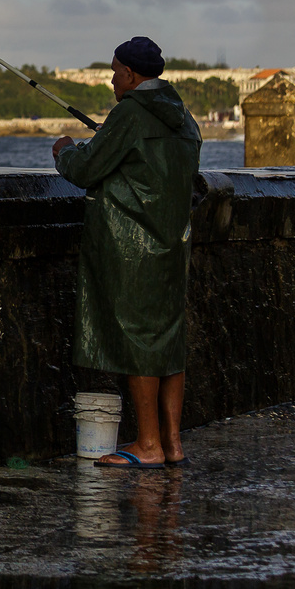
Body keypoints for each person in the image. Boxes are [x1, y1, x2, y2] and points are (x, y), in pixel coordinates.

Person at [52, 37, 202, 468]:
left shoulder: (130, 114)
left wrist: (64, 151)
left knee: (139, 342)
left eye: (115, 72)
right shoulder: (184, 118)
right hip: (173, 244)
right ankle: (172, 443)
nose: (111, 80)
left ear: (132, 76)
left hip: (132, 248)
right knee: (169, 342)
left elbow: (85, 169)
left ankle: (149, 445)